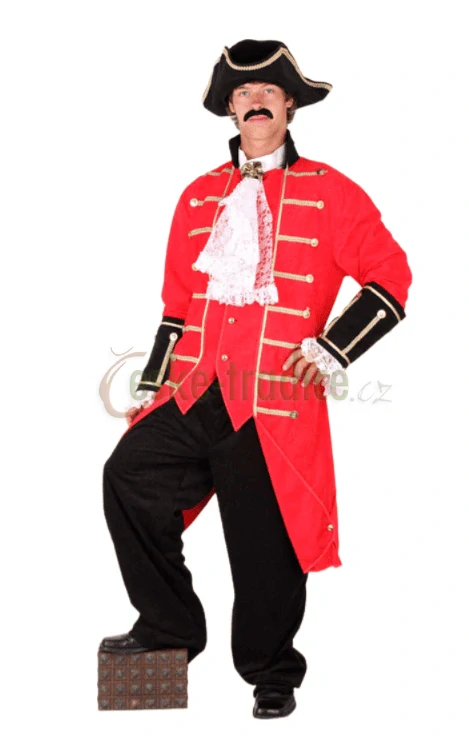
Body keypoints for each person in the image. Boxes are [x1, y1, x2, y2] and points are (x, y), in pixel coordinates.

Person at [100, 39, 412, 719]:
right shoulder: (197, 196)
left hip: (273, 400)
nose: (255, 101)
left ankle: (271, 672)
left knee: (266, 548)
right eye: (243, 93)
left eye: (269, 90)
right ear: (230, 110)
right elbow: (177, 303)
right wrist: (153, 384)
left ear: (289, 105)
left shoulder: (331, 191)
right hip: (193, 388)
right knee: (128, 475)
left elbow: (391, 278)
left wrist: (333, 348)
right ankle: (170, 629)